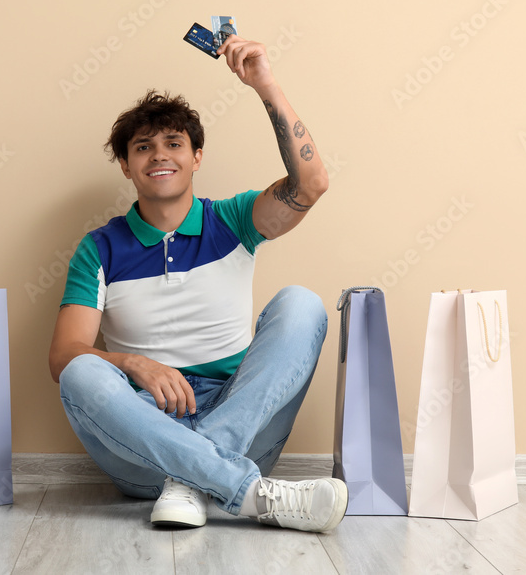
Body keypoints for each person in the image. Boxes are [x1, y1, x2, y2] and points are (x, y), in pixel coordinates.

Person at [48, 34, 347, 532]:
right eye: (143, 147)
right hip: (143, 445)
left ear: (197, 156)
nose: (158, 156)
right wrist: (133, 363)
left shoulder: (232, 220)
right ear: (126, 165)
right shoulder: (98, 249)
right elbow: (62, 356)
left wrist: (264, 84)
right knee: (81, 372)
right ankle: (238, 489)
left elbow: (310, 184)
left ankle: (196, 478)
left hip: (244, 427)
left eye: (173, 143)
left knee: (302, 304)